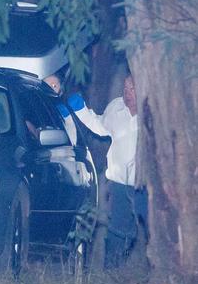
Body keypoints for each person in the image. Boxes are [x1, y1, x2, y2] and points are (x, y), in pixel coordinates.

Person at [67, 73, 145, 268]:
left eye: (132, 89)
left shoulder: (152, 110)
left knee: (149, 228)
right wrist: (81, 110)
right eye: (126, 89)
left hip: (146, 186)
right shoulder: (116, 107)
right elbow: (100, 125)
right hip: (119, 184)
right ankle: (112, 271)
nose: (127, 94)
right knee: (118, 231)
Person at [44, 72, 77, 145]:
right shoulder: (40, 109)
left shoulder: (70, 108)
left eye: (54, 86)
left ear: (62, 88)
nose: (50, 90)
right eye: (46, 87)